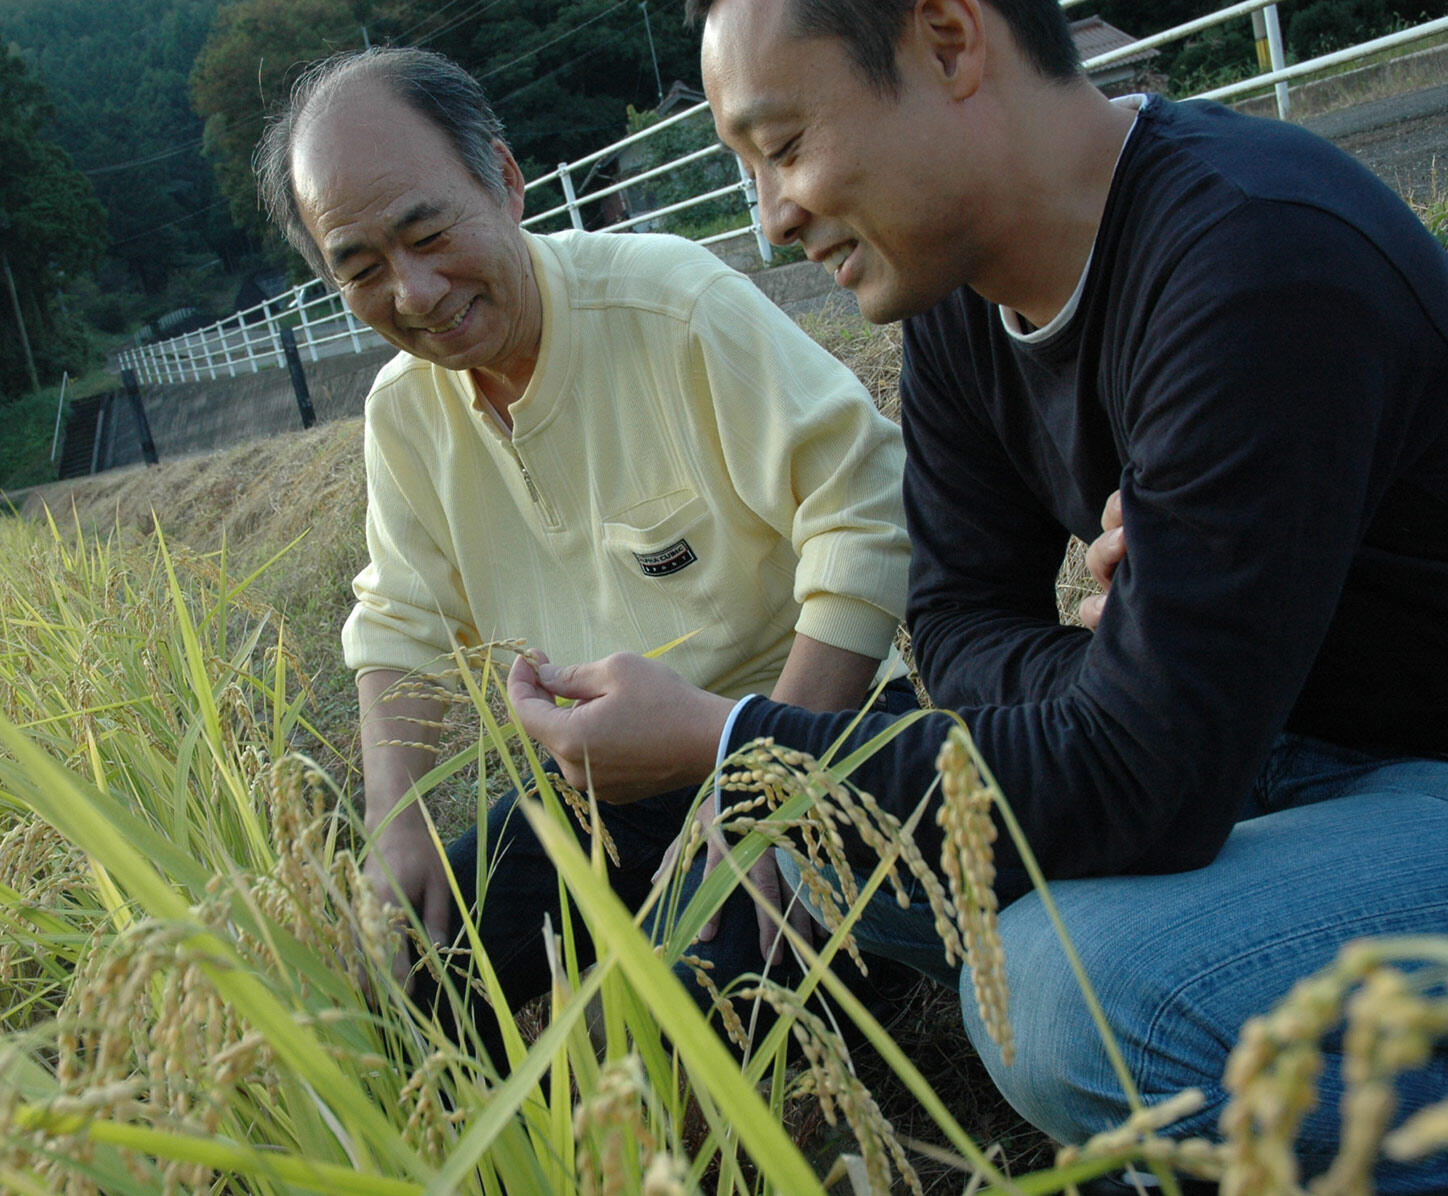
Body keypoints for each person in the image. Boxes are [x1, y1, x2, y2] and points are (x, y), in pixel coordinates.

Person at [508, 0, 1448, 1186]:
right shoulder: (958, 293)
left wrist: (734, 740)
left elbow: (1143, 779)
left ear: (949, 42)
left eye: (785, 147)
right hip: (1250, 755)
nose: (770, 217)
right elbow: (953, 625)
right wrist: (1122, 675)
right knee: (819, 836)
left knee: (1060, 999)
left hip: (1409, 778)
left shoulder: (1256, 258)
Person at [253, 47, 912, 1051]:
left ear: (506, 181)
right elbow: (400, 624)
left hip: (816, 728)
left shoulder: (672, 304)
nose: (417, 291)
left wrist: (763, 780)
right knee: (391, 975)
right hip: (618, 783)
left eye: (428, 234)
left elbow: (865, 507)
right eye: (364, 269)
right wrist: (399, 822)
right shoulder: (405, 416)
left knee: (711, 1014)